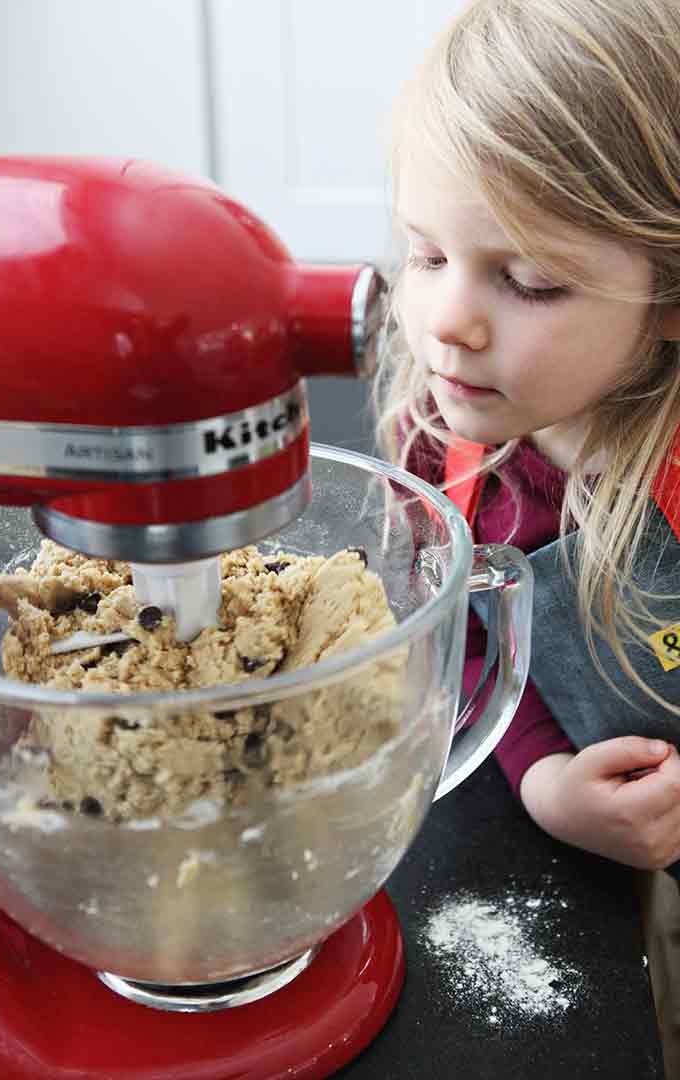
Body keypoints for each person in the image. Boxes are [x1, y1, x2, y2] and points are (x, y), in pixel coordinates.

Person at [374, 0, 680, 1073]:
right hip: (586, 876)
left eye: (530, 281)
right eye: (425, 255)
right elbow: (459, 641)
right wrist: (545, 777)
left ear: (668, 293)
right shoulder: (445, 442)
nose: (447, 322)